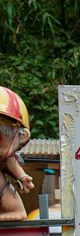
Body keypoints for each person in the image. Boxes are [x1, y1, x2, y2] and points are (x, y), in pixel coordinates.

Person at [0, 87, 33, 222]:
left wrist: (22, 177)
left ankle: (13, 211)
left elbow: (9, 162)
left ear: (22, 137)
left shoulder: (6, 158)